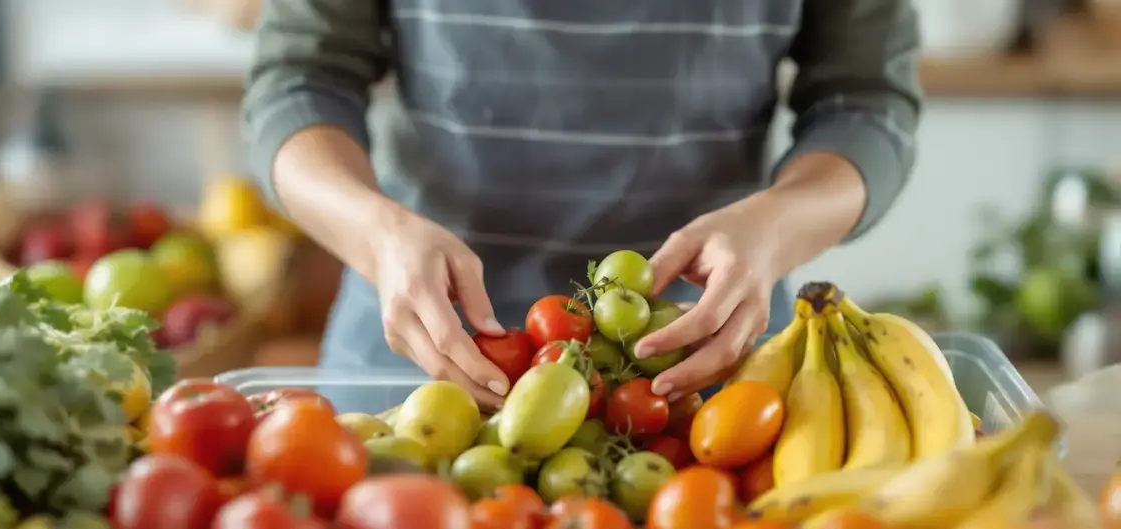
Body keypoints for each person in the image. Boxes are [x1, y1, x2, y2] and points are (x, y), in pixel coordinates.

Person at [244, 0, 922, 409]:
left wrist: (778, 226)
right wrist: (375, 231)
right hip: (415, 370)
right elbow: (301, 80)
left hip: (702, 384)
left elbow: (863, 102)